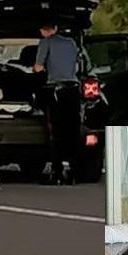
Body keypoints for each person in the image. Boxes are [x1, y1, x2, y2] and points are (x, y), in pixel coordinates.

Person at [34, 21, 81, 186]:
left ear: (44, 29)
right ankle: (74, 172)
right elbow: (77, 66)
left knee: (56, 132)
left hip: (57, 91)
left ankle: (57, 172)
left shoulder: (46, 42)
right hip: (74, 90)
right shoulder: (71, 43)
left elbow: (38, 67)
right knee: (73, 130)